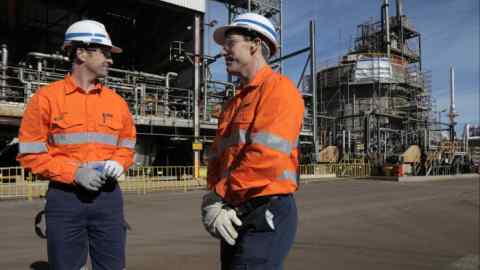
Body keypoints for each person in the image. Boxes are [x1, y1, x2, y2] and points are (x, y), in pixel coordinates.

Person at [17, 20, 136, 270]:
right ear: (81, 52)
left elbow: (126, 145)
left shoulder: (117, 103)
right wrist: (74, 173)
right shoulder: (45, 99)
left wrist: (119, 162)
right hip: (65, 198)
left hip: (108, 197)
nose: (110, 59)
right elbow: (30, 155)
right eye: (104, 52)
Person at [201, 12, 305, 270]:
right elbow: (217, 157)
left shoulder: (279, 90)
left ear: (255, 44)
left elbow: (266, 157)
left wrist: (219, 194)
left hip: (266, 207)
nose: (224, 50)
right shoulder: (231, 105)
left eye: (231, 42)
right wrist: (215, 197)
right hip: (235, 209)